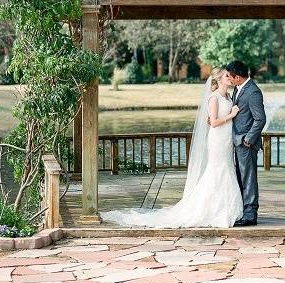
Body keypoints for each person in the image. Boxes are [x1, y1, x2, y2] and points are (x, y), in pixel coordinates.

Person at [101, 67, 244, 228]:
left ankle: (224, 207)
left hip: (226, 140)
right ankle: (211, 209)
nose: (230, 77)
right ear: (218, 79)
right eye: (227, 75)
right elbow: (215, 122)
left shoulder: (229, 96)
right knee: (217, 170)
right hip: (217, 140)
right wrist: (231, 115)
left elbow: (210, 120)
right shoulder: (214, 98)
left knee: (227, 168)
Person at [226, 60, 266, 226]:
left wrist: (248, 139)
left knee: (248, 178)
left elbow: (260, 119)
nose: (228, 78)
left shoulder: (253, 92)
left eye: (229, 76)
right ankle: (242, 210)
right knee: (240, 177)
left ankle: (250, 215)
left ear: (237, 77)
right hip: (237, 142)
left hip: (246, 143)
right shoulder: (238, 89)